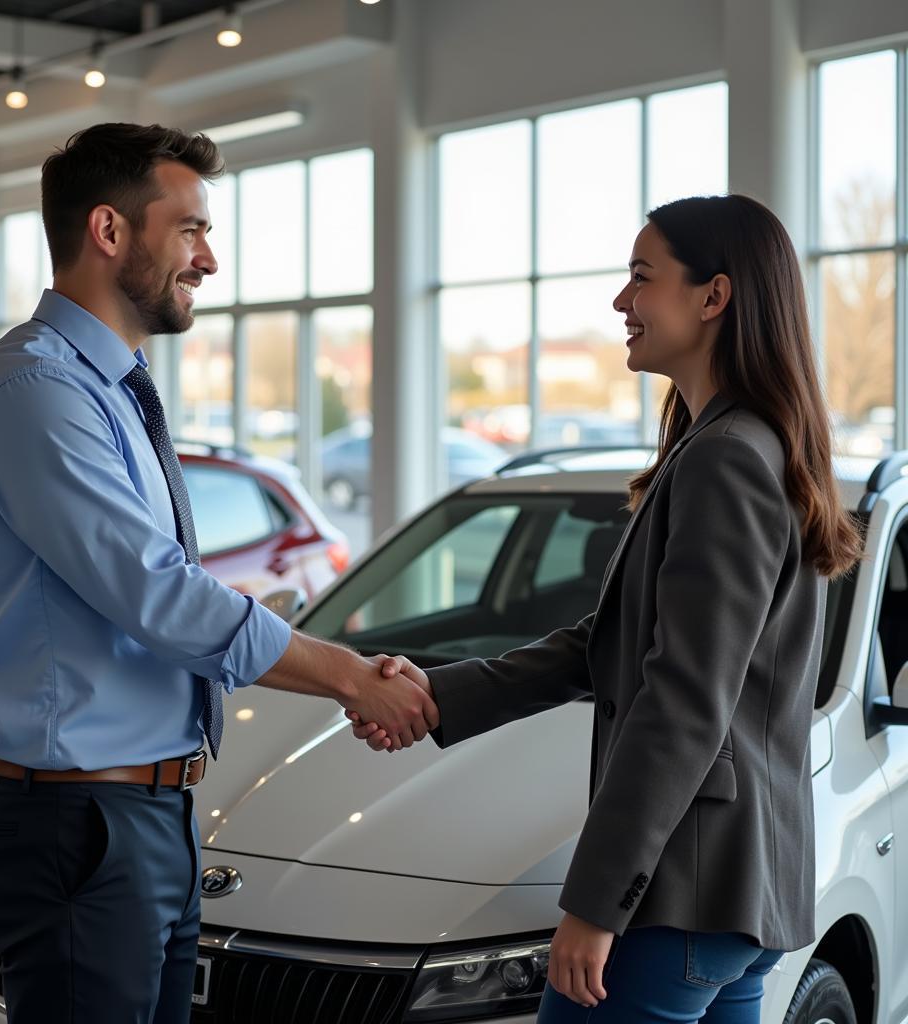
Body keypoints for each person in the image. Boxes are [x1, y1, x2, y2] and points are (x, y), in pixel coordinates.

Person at [0, 122, 437, 1024]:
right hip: (77, 823)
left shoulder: (109, 391)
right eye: (191, 229)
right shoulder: (32, 393)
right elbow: (158, 594)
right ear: (110, 232)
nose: (207, 259)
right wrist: (351, 678)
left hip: (146, 814)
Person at [349, 194, 863, 1023]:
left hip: (684, 891)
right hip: (733, 891)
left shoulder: (726, 460)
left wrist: (595, 905)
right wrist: (443, 693)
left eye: (640, 277)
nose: (622, 302)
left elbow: (685, 703)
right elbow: (612, 641)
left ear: (713, 297)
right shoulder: (737, 443)